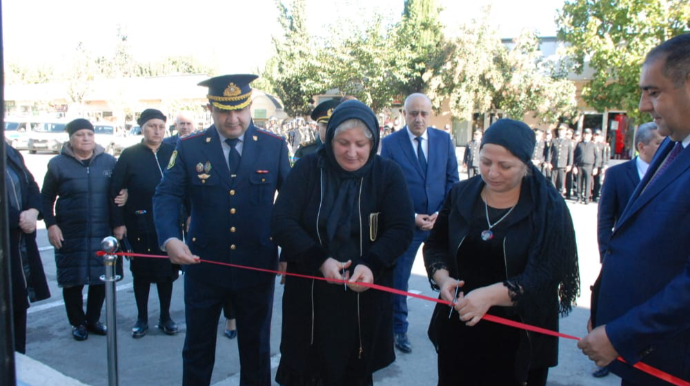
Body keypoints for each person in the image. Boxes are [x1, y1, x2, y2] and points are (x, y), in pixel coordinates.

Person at [153, 74, 290, 386]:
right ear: (210, 109)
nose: (233, 119)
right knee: (198, 349)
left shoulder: (274, 147)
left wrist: (289, 252)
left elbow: (291, 204)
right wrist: (170, 238)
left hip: (256, 267)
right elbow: (167, 194)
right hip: (203, 266)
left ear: (249, 107)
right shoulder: (189, 149)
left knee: (256, 351)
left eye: (239, 109)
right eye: (224, 110)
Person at [423, 118, 580, 386]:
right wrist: (443, 279)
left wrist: (490, 296)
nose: (492, 172)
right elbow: (436, 244)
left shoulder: (548, 208)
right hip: (460, 327)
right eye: (485, 162)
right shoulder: (461, 194)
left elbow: (545, 273)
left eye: (505, 166)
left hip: (518, 337)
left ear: (526, 165)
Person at [271, 99, 415, 386]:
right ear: (330, 137)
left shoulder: (387, 174)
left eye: (361, 144)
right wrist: (320, 260)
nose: (352, 152)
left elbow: (401, 228)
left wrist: (372, 264)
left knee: (354, 372)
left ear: (373, 142)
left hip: (364, 294)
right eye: (343, 142)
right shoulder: (308, 169)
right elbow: (282, 221)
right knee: (306, 370)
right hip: (310, 293)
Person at [578, 33, 690, 385]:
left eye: (654, 92)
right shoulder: (672, 148)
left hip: (671, 361)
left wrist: (621, 333)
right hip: (642, 354)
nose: (642, 106)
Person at [380, 93, 459, 354]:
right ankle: (398, 329)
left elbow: (452, 181)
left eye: (424, 113)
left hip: (440, 223)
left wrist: (441, 214)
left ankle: (450, 324)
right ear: (404, 114)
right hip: (407, 225)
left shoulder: (444, 140)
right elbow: (387, 188)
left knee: (451, 277)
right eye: (413, 113)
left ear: (430, 114)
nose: (419, 118)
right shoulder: (390, 144)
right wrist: (412, 216)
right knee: (399, 279)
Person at [592, 122, 663, 378]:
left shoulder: (671, 172)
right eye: (658, 142)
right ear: (641, 146)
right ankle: (605, 359)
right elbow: (605, 219)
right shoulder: (618, 174)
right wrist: (606, 256)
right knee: (613, 309)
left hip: (654, 264)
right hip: (619, 263)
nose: (664, 145)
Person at [41, 118, 122, 341]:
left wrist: (118, 221)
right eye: (79, 134)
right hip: (70, 232)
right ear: (70, 138)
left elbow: (117, 193)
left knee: (100, 279)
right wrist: (51, 225)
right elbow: (46, 197)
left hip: (101, 231)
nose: (85, 138)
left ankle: (93, 319)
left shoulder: (108, 162)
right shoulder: (58, 164)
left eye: (89, 134)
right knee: (73, 280)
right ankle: (77, 322)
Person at [111, 109, 180, 338]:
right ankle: (142, 318)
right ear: (142, 128)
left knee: (166, 272)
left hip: (168, 224)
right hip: (139, 222)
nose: (157, 131)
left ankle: (165, 317)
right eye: (152, 126)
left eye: (161, 126)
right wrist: (118, 223)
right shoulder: (130, 155)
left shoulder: (173, 152)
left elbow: (185, 186)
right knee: (141, 273)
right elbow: (115, 190)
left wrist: (188, 214)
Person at [5, 142, 50, 353]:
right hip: (11, 233)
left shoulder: (10, 152)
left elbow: (31, 184)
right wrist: (18, 218)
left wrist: (32, 211)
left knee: (16, 305)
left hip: (18, 244)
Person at [573, 128, 600, 204]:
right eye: (585, 134)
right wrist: (574, 166)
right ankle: (579, 197)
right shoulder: (579, 144)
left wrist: (595, 167)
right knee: (579, 182)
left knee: (588, 183)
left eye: (588, 134)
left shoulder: (593, 145)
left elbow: (597, 157)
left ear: (591, 135)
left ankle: (586, 198)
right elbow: (575, 155)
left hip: (589, 166)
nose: (586, 135)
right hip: (580, 165)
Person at [550, 124, 573, 195]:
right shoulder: (553, 140)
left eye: (562, 130)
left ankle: (560, 194)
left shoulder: (568, 141)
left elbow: (570, 154)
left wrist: (569, 164)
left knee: (561, 181)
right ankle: (552, 194)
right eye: (560, 130)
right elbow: (550, 152)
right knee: (552, 181)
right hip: (554, 163)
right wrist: (548, 162)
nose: (561, 132)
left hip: (563, 164)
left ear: (565, 131)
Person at [591, 129, 611, 202]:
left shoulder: (603, 145)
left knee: (597, 181)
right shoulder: (591, 144)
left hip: (599, 165)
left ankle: (595, 195)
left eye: (597, 135)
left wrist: (604, 165)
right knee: (590, 181)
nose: (596, 137)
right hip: (591, 164)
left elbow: (604, 156)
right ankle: (590, 194)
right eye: (595, 135)